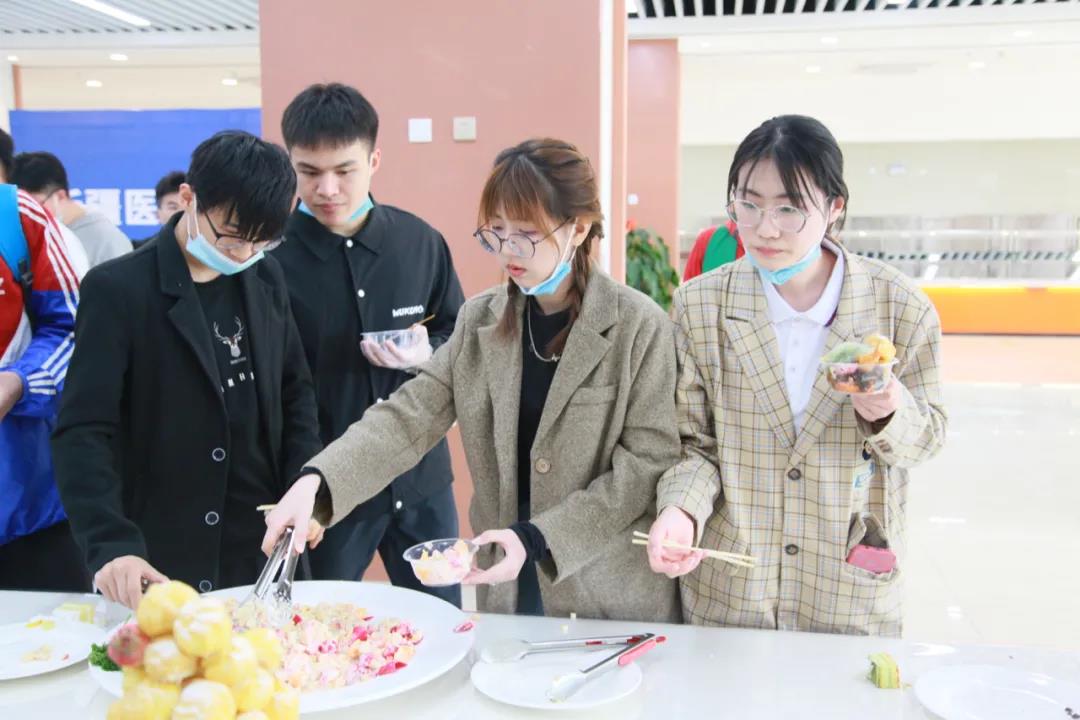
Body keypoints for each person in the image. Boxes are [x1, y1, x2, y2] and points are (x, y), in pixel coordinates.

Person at [264, 138, 681, 622]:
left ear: (579, 227)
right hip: (507, 582)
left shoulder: (638, 326)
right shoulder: (481, 320)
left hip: (604, 591)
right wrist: (318, 483)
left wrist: (538, 538)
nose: (507, 251)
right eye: (496, 232)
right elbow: (408, 416)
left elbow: (647, 464)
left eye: (526, 234)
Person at [647, 115, 947, 636]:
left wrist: (889, 411)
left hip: (844, 587)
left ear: (834, 208)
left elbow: (927, 439)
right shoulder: (700, 306)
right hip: (734, 584)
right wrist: (681, 511)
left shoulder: (899, 307)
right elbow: (695, 446)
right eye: (748, 205)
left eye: (789, 209)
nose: (765, 229)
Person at [52, 131, 323, 609]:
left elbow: (294, 393)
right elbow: (84, 430)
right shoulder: (118, 290)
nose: (244, 255)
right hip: (163, 552)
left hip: (259, 545)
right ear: (188, 198)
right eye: (232, 238)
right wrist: (111, 543)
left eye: (262, 241)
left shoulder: (265, 276)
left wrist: (307, 485)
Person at [271, 83, 465, 604]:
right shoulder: (271, 260)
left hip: (421, 478)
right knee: (322, 622)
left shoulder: (419, 242)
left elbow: (461, 336)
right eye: (309, 172)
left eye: (345, 170)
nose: (327, 189)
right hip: (326, 486)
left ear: (374, 160)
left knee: (444, 616)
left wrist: (428, 352)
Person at [0, 127, 86, 591]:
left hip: (25, 501)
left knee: (53, 627)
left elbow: (74, 328)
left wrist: (18, 382)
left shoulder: (17, 217)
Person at [11, 151, 131, 266]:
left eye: (34, 206)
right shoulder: (35, 237)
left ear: (60, 196)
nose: (26, 215)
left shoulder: (107, 242)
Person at [135, 170, 186, 247]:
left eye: (187, 206)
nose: (181, 213)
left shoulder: (204, 250)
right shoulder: (136, 250)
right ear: (157, 214)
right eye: (173, 207)